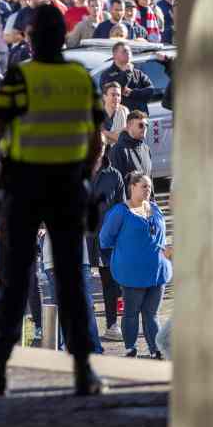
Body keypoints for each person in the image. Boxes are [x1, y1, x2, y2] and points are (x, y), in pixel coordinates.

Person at [0, 4, 107, 397]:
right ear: (64, 37)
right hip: (66, 188)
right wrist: (84, 180)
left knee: (14, 280)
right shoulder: (81, 79)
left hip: (23, 188)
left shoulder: (19, 77)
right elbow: (97, 142)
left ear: (29, 38)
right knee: (71, 280)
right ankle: (83, 371)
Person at [99, 172, 171, 359]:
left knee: (152, 314)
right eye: (144, 186)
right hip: (132, 273)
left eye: (149, 186)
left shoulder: (155, 209)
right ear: (132, 187)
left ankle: (156, 350)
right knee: (131, 313)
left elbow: (160, 237)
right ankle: (131, 348)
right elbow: (105, 239)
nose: (148, 190)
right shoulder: (119, 212)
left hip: (157, 272)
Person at [89, 141, 126, 341]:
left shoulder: (114, 175)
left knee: (110, 283)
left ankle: (112, 325)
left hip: (107, 236)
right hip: (82, 237)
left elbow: (122, 207)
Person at [98, 42, 155, 114]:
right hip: (119, 119)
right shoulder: (107, 75)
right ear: (115, 55)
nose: (128, 53)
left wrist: (132, 93)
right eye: (125, 51)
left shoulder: (138, 73)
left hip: (140, 118)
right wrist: (127, 72)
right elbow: (115, 91)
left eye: (129, 51)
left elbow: (151, 90)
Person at [110, 110, 153, 182]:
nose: (144, 128)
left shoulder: (146, 149)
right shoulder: (118, 150)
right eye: (141, 125)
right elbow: (117, 183)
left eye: (146, 125)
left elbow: (150, 180)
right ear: (129, 126)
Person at [100, 81, 129, 148]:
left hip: (118, 153)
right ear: (104, 97)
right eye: (113, 95)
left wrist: (103, 132)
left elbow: (124, 139)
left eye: (118, 95)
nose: (116, 98)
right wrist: (114, 136)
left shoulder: (124, 111)